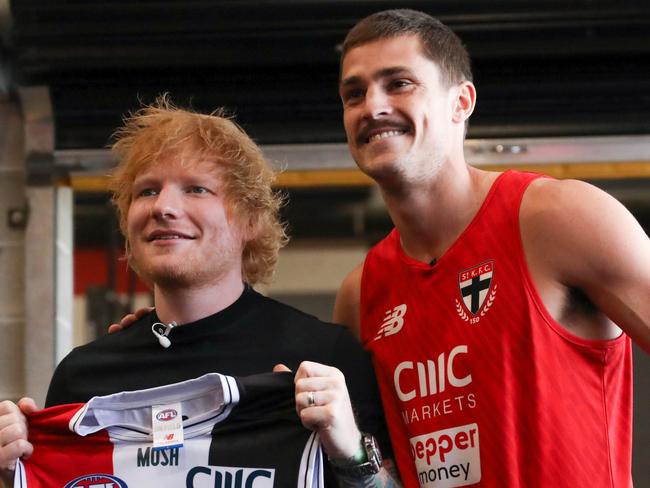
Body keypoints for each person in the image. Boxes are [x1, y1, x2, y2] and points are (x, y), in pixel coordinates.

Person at [0, 97, 401, 487]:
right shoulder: (82, 378)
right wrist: (13, 474)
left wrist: (352, 454)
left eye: (196, 189)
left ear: (249, 221)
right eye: (146, 191)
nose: (164, 207)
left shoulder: (324, 359)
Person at [333, 8, 650, 488]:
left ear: (461, 102)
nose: (371, 106)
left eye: (398, 83)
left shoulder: (559, 217)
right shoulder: (361, 293)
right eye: (353, 93)